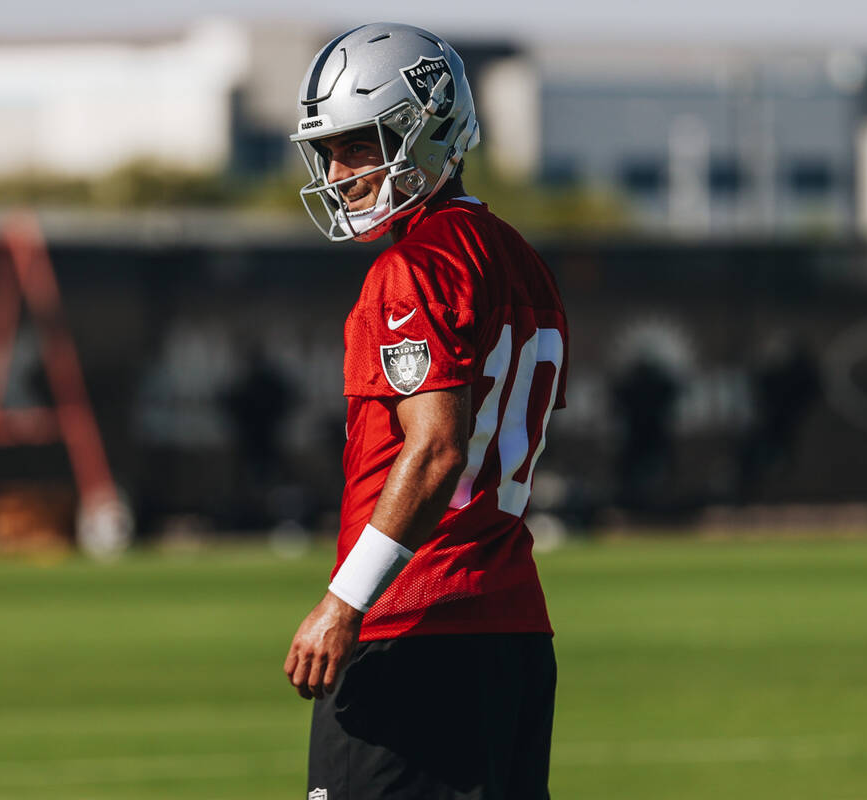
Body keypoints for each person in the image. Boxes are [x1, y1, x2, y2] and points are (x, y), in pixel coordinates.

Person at [281, 23, 569, 800]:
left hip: (414, 629)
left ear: (426, 127)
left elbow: (438, 449)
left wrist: (345, 601)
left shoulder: (416, 267)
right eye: (330, 151)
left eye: (359, 145)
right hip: (511, 631)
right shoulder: (521, 259)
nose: (340, 173)